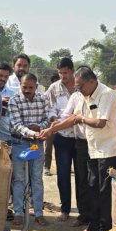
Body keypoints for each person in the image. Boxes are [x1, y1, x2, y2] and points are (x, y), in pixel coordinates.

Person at [64, 65, 116, 231]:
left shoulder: (106, 93)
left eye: (80, 86)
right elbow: (74, 118)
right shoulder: (85, 94)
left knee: (105, 189)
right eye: (77, 87)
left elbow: (100, 123)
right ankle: (93, 226)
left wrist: (81, 118)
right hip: (93, 147)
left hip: (108, 149)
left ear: (92, 81)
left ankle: (105, 228)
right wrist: (52, 129)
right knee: (92, 186)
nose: (78, 90)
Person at [8, 72, 53, 226]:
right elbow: (16, 124)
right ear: (20, 85)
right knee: (19, 178)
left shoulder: (42, 99)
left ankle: (39, 212)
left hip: (35, 145)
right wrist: (34, 133)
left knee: (36, 179)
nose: (27, 90)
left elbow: (48, 118)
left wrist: (40, 127)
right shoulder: (14, 100)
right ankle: (18, 212)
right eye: (24, 87)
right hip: (20, 143)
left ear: (36, 86)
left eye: (30, 87)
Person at [44, 57, 76, 221]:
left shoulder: (80, 86)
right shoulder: (53, 89)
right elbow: (49, 109)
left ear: (72, 70)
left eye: (66, 72)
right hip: (62, 137)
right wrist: (52, 119)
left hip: (81, 138)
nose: (63, 76)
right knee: (63, 174)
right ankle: (65, 209)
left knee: (83, 176)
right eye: (60, 73)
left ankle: (85, 211)